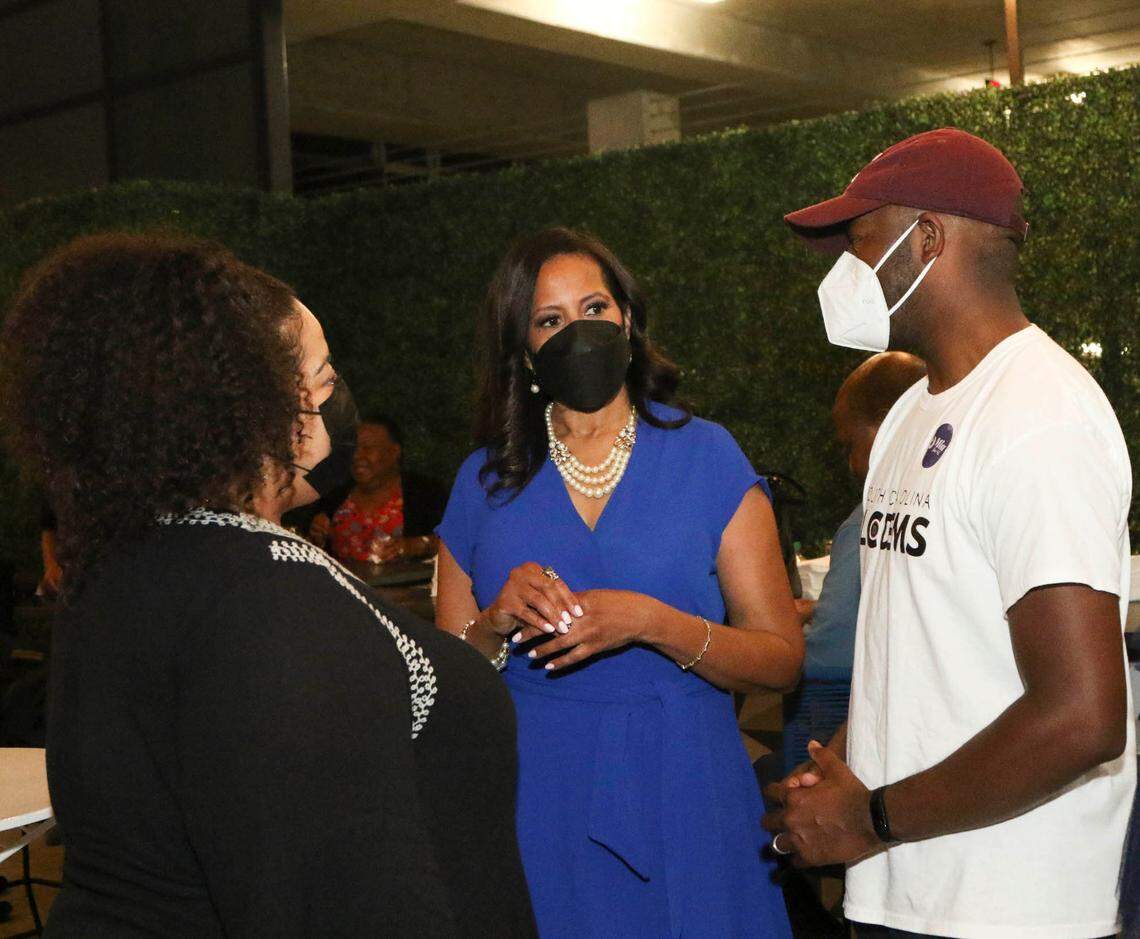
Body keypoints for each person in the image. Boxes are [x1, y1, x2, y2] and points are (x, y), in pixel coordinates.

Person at [1, 233, 536, 937]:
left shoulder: (126, 568)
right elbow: (338, 893)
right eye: (321, 374)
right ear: (248, 401)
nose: (335, 396)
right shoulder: (266, 601)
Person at [764, 127, 1134, 939]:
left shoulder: (1040, 416)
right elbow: (913, 651)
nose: (846, 272)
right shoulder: (908, 412)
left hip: (1010, 908)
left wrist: (874, 818)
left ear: (927, 239)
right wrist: (839, 778)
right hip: (908, 890)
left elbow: (1083, 714)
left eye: (860, 242)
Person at [435, 227, 803, 939]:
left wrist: (653, 621)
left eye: (595, 307)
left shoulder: (707, 455)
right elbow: (445, 685)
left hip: (688, 786)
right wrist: (494, 624)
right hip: (540, 795)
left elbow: (780, 659)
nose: (580, 331)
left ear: (628, 320)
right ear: (524, 349)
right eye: (550, 319)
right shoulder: (483, 482)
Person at [799, 352, 926, 676]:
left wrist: (773, 649)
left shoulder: (866, 522)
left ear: (888, 424)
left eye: (850, 446)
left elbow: (832, 650)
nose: (852, 464)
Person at [308, 414, 447, 563]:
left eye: (367, 448)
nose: (356, 456)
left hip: (407, 585)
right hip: (340, 585)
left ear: (394, 452)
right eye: (352, 448)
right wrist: (316, 536)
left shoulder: (425, 493)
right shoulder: (334, 494)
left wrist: (418, 545)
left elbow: (456, 542)